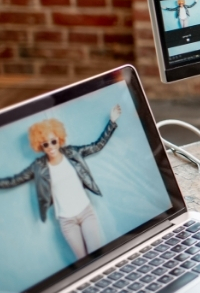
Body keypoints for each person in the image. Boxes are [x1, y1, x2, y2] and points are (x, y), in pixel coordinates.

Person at [0, 105, 122, 259]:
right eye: (45, 144)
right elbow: (14, 180)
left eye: (53, 141)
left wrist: (111, 122)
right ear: (40, 146)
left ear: (59, 139)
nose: (50, 147)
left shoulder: (73, 153)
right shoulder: (39, 166)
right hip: (66, 221)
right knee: (83, 263)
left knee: (98, 257)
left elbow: (97, 146)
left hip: (86, 212)